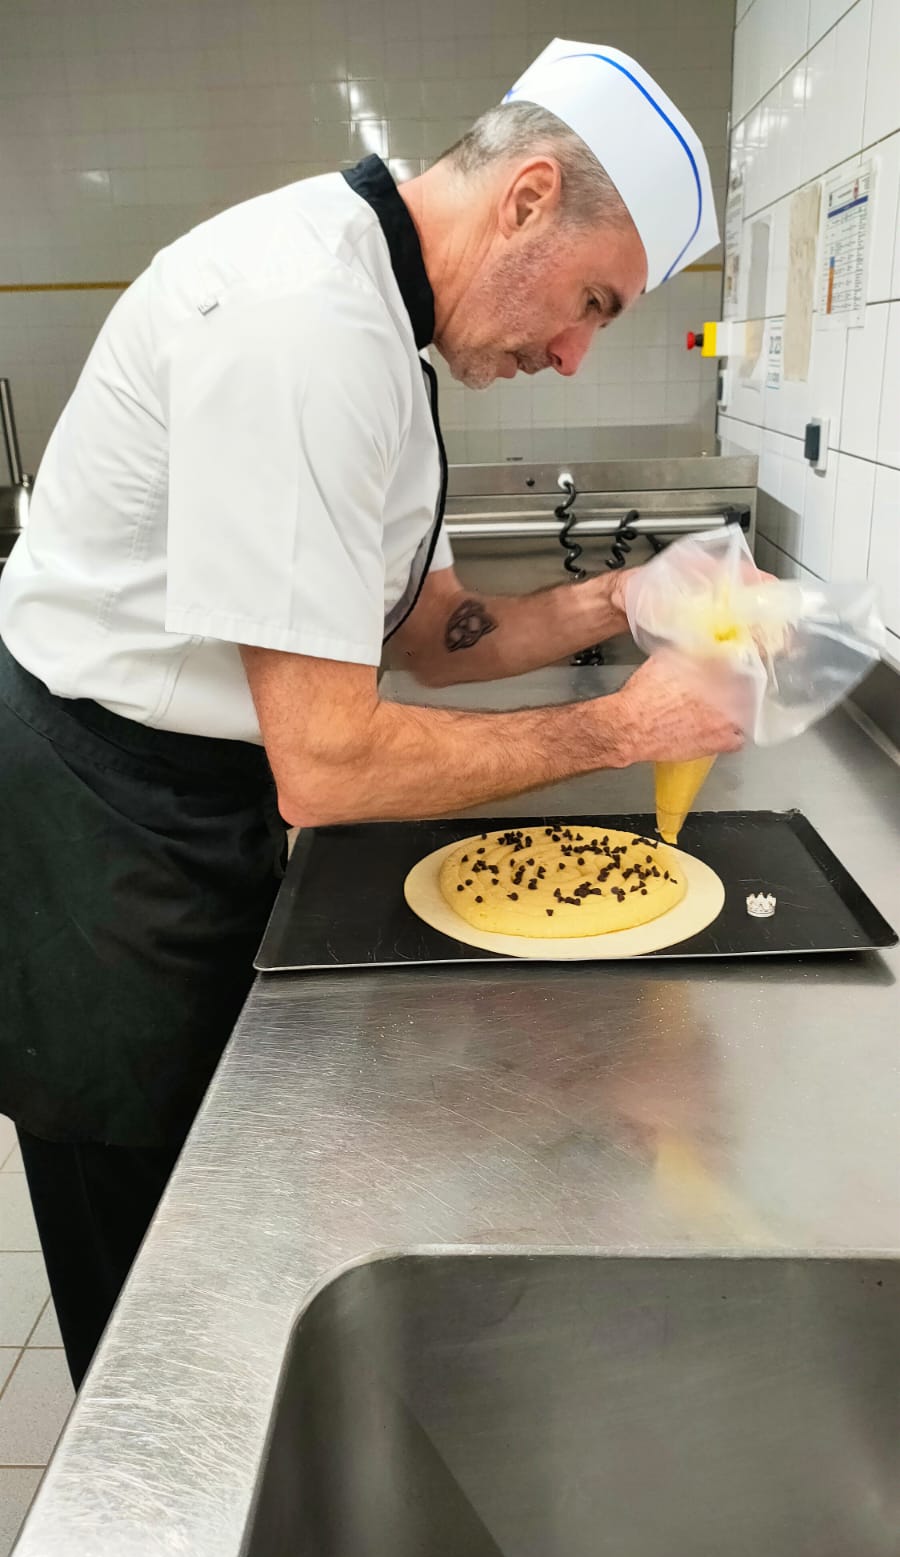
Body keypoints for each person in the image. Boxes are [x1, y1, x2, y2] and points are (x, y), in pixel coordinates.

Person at [0, 39, 739, 1388]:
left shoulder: (389, 336)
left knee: (210, 1204)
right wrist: (626, 729)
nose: (574, 354)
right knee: (146, 1262)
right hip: (99, 823)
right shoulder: (302, 324)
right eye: (592, 302)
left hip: (197, 801)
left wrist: (628, 597)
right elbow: (329, 764)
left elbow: (427, 637)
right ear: (525, 199)